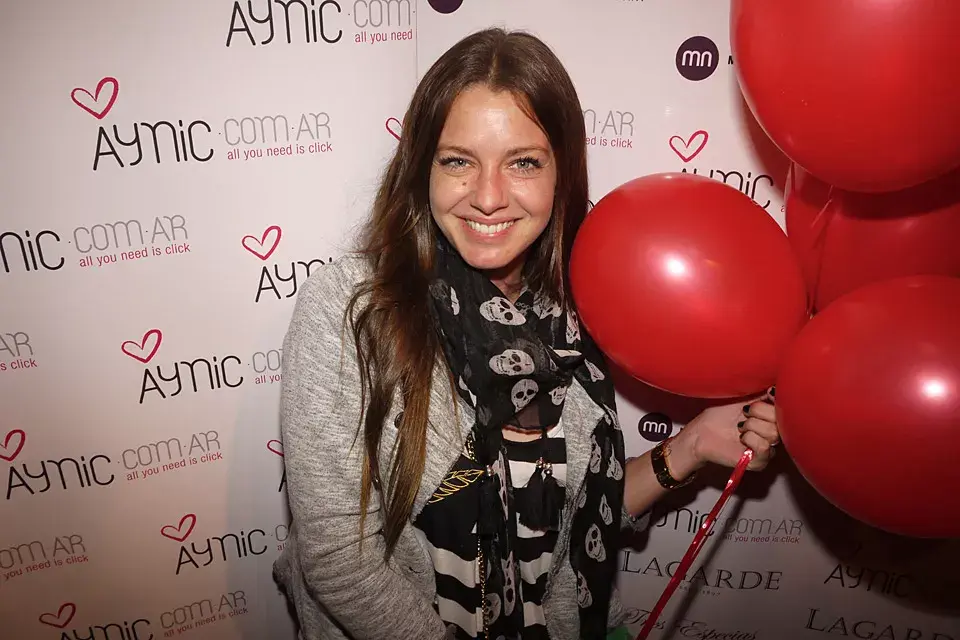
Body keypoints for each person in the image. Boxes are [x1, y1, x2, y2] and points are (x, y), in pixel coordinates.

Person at [272, 27, 781, 640]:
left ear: (561, 173)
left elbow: (569, 521)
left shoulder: (575, 307)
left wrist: (693, 445)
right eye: (458, 161)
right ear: (421, 169)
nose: (488, 198)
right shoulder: (353, 310)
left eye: (523, 163)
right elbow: (340, 565)